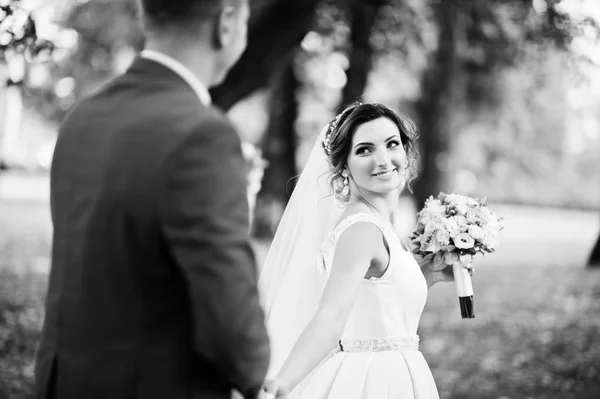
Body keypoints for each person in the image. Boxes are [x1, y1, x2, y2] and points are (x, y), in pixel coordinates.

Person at [34, 1, 270, 398]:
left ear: (146, 16)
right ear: (226, 23)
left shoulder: (82, 118)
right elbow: (233, 330)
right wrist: (255, 373)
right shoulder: (203, 135)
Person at [259, 102, 457, 398]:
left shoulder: (376, 224)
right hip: (373, 382)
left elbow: (375, 304)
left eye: (392, 144)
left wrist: (428, 275)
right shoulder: (362, 229)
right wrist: (283, 382)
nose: (383, 159)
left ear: (405, 151)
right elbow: (332, 315)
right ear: (343, 166)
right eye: (364, 149)